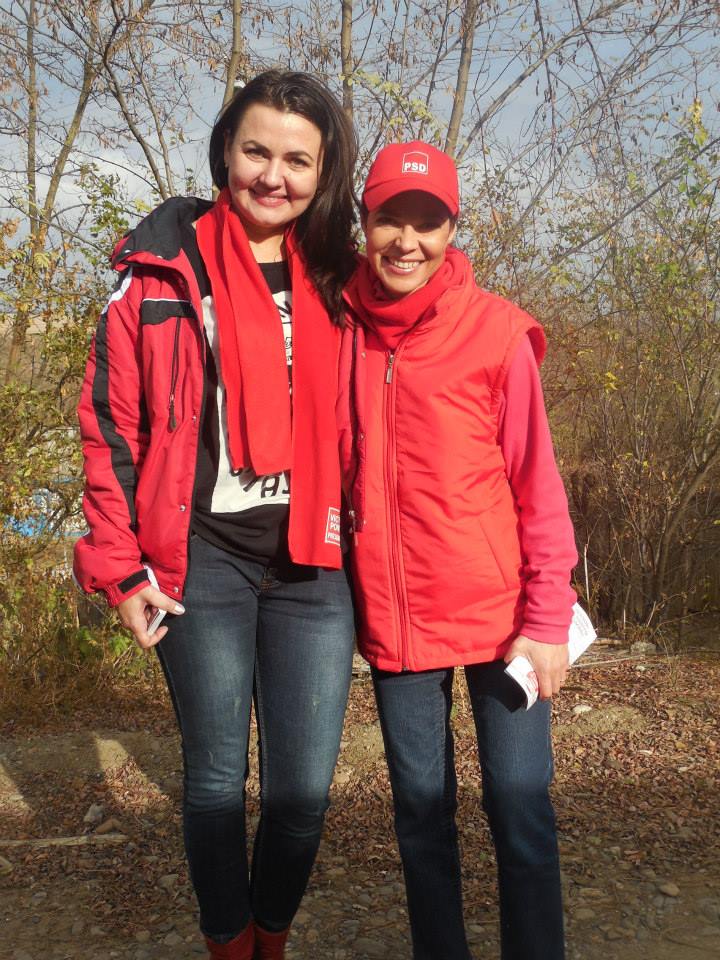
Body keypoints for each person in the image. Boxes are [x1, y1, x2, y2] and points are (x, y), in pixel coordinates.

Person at [74, 70, 358, 960]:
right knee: (214, 782)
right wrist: (120, 569)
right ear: (225, 152)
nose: (274, 175)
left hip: (315, 561)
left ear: (324, 171)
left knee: (303, 794)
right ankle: (229, 947)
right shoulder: (162, 268)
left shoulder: (344, 277)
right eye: (256, 151)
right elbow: (110, 428)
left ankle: (272, 936)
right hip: (200, 559)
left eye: (297, 160)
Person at [337, 141, 578, 960]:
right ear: (364, 222)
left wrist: (547, 620)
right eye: (390, 219)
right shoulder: (341, 327)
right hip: (398, 623)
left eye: (428, 222)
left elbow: (539, 486)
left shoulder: (497, 333)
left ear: (451, 230)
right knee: (420, 816)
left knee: (519, 804)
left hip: (502, 620)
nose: (407, 241)